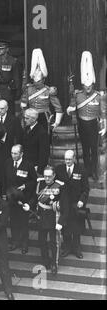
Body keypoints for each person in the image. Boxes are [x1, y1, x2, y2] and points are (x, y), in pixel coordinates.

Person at [67, 51, 107, 180]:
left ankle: (95, 171)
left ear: (93, 84)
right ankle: (87, 171)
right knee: (85, 150)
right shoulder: (77, 95)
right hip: (82, 124)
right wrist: (71, 112)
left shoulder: (98, 96)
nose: (88, 87)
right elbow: (72, 109)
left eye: (90, 85)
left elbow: (102, 113)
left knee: (94, 150)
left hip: (94, 124)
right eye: (86, 85)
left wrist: (103, 125)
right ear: (83, 84)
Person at [24, 166, 68, 274]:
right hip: (41, 216)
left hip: (53, 217)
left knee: (53, 242)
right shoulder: (40, 183)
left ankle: (54, 263)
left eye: (49, 176)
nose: (47, 178)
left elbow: (65, 205)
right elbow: (36, 198)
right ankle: (45, 261)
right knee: (41, 241)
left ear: (54, 176)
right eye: (45, 176)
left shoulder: (60, 186)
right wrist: (29, 205)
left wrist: (61, 222)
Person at [55, 150, 89, 259]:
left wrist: (82, 200)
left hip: (76, 204)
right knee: (65, 227)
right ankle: (67, 247)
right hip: (64, 203)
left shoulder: (81, 169)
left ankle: (77, 248)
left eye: (69, 159)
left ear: (74, 158)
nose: (67, 161)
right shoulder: (59, 169)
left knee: (77, 227)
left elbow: (86, 188)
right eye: (66, 159)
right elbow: (55, 185)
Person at [4, 144, 37, 253]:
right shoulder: (8, 163)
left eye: (16, 153)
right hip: (11, 198)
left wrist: (25, 186)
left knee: (23, 222)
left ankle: (24, 244)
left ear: (21, 153)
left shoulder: (28, 165)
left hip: (24, 198)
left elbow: (34, 180)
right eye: (12, 153)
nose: (13, 155)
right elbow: (4, 179)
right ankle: (15, 242)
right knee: (13, 221)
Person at [20, 48, 63, 132]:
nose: (36, 83)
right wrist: (24, 117)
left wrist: (57, 122)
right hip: (31, 116)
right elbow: (23, 105)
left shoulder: (48, 90)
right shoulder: (28, 89)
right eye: (35, 81)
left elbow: (58, 107)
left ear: (43, 80)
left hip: (44, 116)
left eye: (38, 81)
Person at [0, 100, 23, 191]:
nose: (0, 110)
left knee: (7, 173)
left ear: (7, 108)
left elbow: (18, 136)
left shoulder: (14, 119)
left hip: (8, 151)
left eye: (2, 108)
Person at [0, 40, 22, 115]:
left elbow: (17, 77)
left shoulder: (13, 61)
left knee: (9, 111)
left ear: (7, 49)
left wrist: (17, 92)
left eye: (1, 48)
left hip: (8, 89)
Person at [21, 108, 49, 175]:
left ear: (33, 119)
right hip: (25, 165)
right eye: (25, 118)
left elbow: (44, 153)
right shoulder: (26, 129)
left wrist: (40, 168)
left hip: (35, 167)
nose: (25, 120)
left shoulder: (41, 132)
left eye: (27, 118)